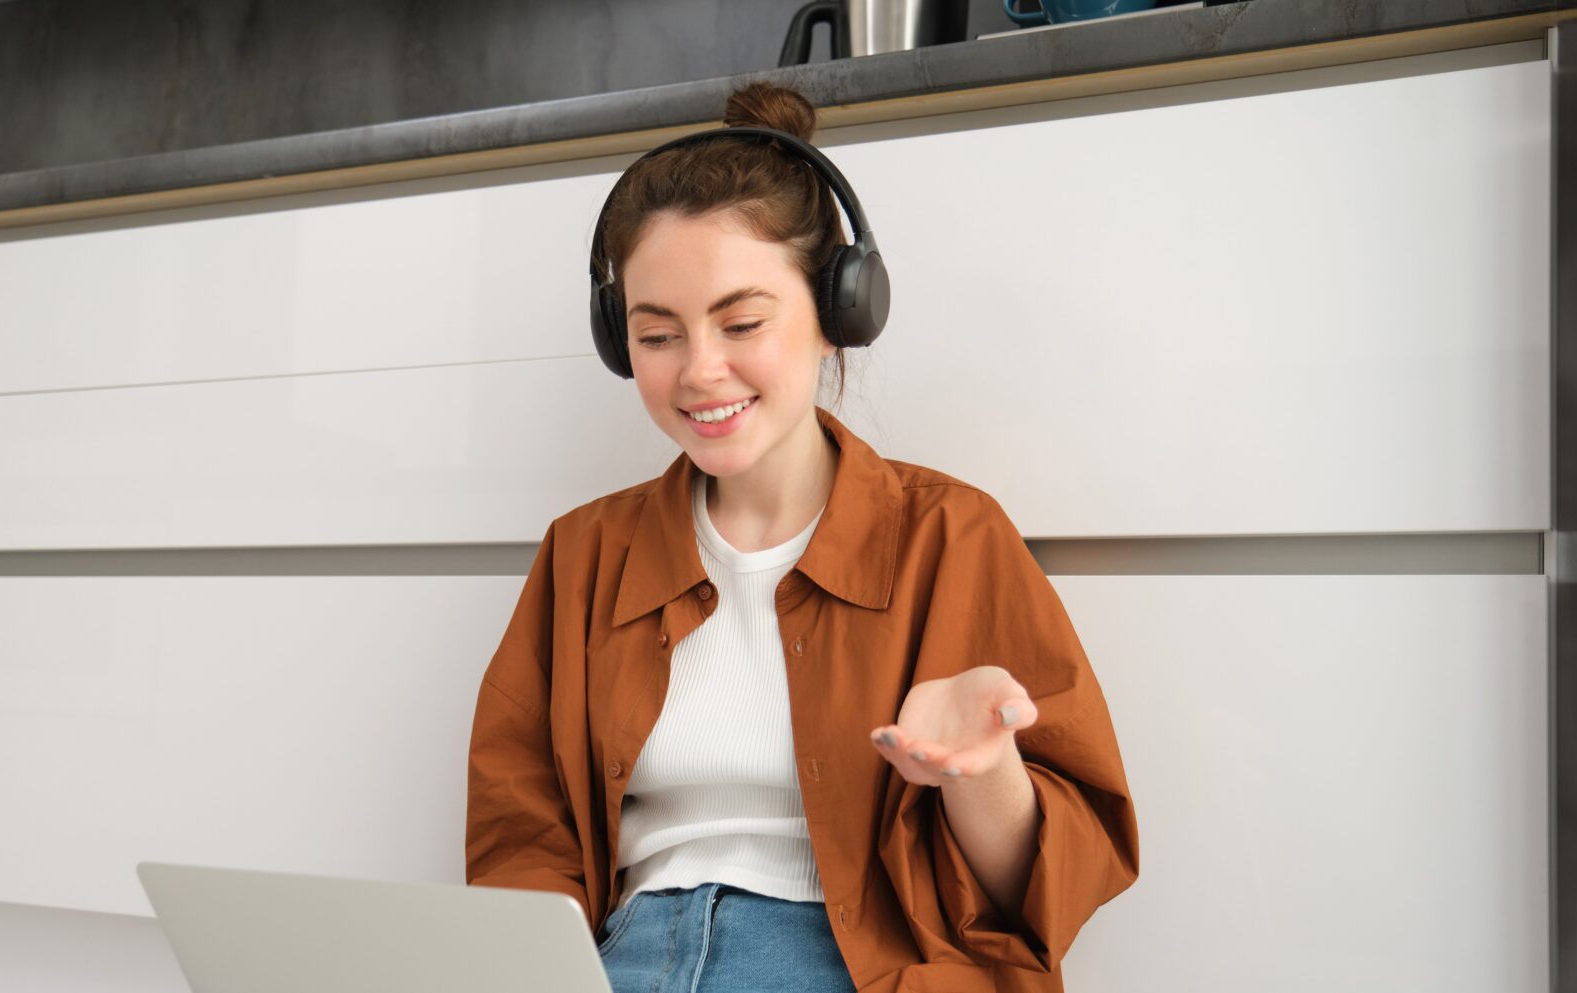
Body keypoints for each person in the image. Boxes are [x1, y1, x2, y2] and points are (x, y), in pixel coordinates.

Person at [465, 80, 1139, 993]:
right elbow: (520, 831)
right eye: (657, 334)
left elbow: (1048, 891)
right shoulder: (582, 555)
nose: (701, 371)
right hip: (617, 961)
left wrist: (985, 770)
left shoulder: (951, 537)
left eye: (742, 323)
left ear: (838, 313)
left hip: (852, 970)